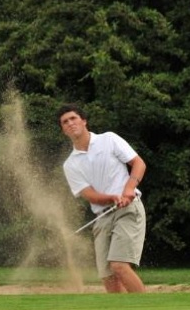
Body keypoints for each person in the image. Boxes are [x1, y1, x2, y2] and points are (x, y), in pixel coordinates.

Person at [57, 103, 147, 293]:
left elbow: (138, 163)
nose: (70, 123)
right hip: (102, 217)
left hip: (127, 210)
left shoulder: (109, 139)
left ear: (84, 121)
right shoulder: (70, 164)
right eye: (65, 122)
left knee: (119, 266)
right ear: (63, 130)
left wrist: (130, 188)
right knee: (108, 277)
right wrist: (112, 197)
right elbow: (89, 195)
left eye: (73, 118)